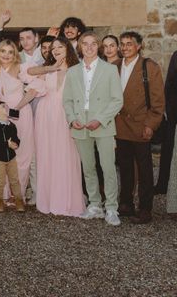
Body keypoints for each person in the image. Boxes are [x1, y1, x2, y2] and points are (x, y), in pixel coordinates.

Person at [62, 31, 123, 226]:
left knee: (108, 168)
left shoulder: (110, 70)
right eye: (85, 44)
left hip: (102, 124)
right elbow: (67, 100)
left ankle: (112, 207)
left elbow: (117, 100)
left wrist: (100, 119)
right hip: (80, 125)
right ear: (79, 47)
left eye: (93, 44)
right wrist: (72, 119)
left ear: (99, 47)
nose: (89, 47)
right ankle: (95, 204)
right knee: (88, 168)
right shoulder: (72, 71)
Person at [27, 38, 85, 217]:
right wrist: (50, 68)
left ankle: (67, 200)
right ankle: (48, 200)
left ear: (68, 49)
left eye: (60, 46)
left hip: (65, 114)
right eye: (53, 48)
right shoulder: (47, 69)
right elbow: (30, 71)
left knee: (66, 154)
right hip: (45, 115)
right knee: (47, 154)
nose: (56, 50)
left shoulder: (77, 69)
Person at [115, 32, 164, 224]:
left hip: (141, 125)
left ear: (139, 46)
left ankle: (145, 208)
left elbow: (158, 101)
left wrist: (151, 124)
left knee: (144, 170)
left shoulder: (149, 67)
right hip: (120, 125)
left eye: (129, 44)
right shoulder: (114, 66)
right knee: (125, 166)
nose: (125, 47)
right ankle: (126, 203)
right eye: (123, 44)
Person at [0, 39, 37, 201]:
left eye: (10, 52)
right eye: (3, 51)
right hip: (3, 117)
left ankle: (17, 195)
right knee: (3, 151)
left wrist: (17, 107)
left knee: (21, 155)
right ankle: (3, 193)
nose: (6, 55)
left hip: (21, 115)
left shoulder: (20, 68)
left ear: (15, 55)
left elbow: (35, 86)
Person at [0, 101, 24, 213]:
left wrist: (16, 143)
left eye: (6, 106)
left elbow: (15, 138)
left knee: (15, 180)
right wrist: (7, 144)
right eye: (3, 107)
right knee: (0, 181)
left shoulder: (11, 125)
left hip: (11, 158)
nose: (6, 107)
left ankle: (19, 200)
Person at [157, 49, 177, 194]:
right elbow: (169, 84)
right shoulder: (176, 55)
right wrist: (169, 110)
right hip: (175, 113)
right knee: (169, 148)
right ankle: (163, 184)